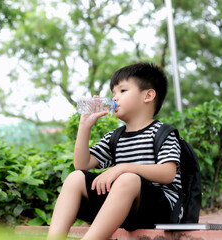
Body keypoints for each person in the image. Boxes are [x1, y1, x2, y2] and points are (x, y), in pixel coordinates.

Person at [47, 62, 182, 240]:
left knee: (127, 178)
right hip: (124, 209)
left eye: (122, 91)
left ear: (148, 95)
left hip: (160, 210)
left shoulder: (163, 133)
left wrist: (123, 168)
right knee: (75, 177)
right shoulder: (115, 137)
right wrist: (84, 126)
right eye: (113, 93)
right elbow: (82, 164)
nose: (115, 98)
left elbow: (167, 173)